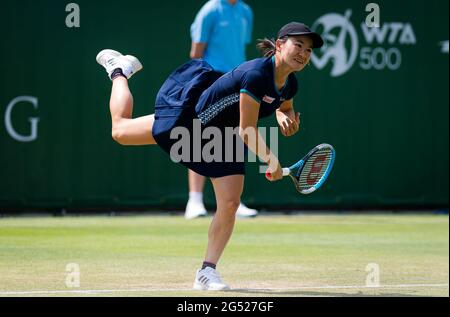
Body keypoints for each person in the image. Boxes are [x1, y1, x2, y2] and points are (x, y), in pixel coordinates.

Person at [96, 21, 324, 291]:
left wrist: (286, 118)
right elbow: (247, 129)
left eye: (308, 50)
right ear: (279, 45)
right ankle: (119, 70)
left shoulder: (290, 84)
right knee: (120, 130)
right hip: (191, 121)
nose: (303, 53)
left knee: (230, 203)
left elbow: (284, 106)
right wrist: (272, 162)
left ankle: (207, 272)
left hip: (223, 137)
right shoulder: (256, 75)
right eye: (298, 45)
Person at [187, 0, 257, 220]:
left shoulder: (245, 11)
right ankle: (195, 200)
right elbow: (196, 53)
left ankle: (232, 200)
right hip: (212, 80)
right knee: (202, 138)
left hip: (239, 79)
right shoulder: (210, 10)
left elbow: (239, 46)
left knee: (236, 137)